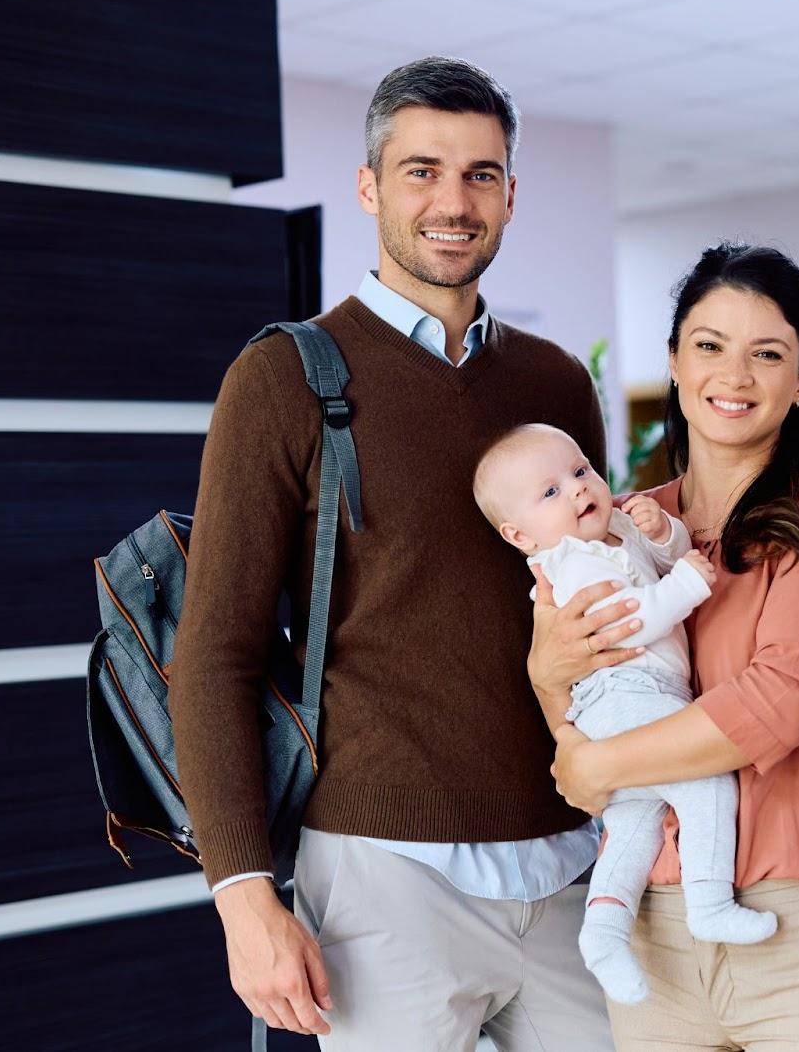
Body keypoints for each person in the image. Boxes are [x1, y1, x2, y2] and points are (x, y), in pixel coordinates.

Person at [168, 57, 634, 1050]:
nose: (452, 202)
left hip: (577, 868)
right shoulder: (285, 377)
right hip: (387, 876)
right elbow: (214, 654)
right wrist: (243, 897)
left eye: (478, 175)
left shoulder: (554, 383)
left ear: (510, 194)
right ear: (371, 187)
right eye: (421, 171)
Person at [527, 243, 799, 1051]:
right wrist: (552, 692)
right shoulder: (617, 523)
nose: (734, 376)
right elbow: (563, 669)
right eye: (709, 346)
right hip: (649, 936)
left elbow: (775, 707)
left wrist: (595, 765)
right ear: (673, 360)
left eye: (766, 354)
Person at [472, 422, 777, 1006]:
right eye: (550, 493)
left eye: (581, 471)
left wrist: (665, 534)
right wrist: (686, 584)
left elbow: (660, 558)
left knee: (635, 822)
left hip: (640, 698)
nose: (578, 490)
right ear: (520, 535)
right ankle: (709, 904)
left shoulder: (610, 531)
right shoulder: (571, 565)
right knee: (707, 782)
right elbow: (631, 619)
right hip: (623, 695)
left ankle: (605, 933)